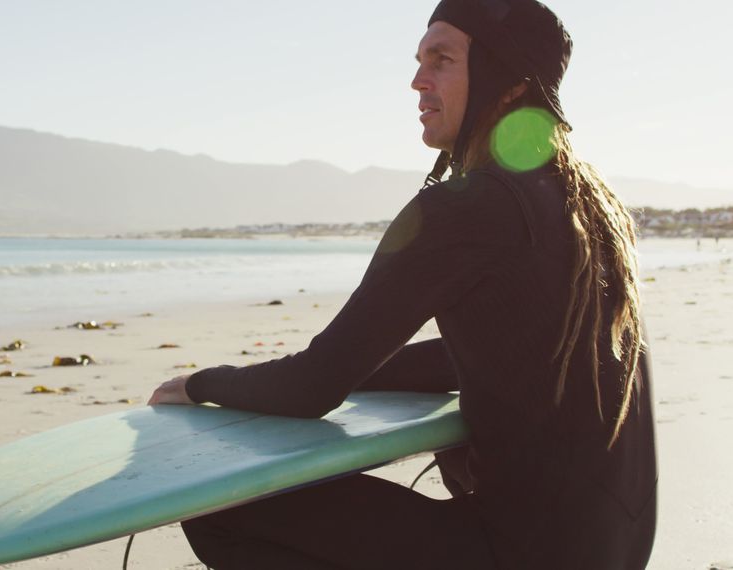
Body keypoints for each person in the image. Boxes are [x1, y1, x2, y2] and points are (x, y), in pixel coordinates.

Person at [148, 0, 657, 568]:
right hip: (613, 553)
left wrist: (201, 384)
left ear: (508, 83)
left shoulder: (469, 207)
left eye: (441, 60)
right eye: (419, 60)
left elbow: (314, 386)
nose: (417, 80)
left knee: (217, 503)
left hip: (517, 556)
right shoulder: (589, 206)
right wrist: (363, 371)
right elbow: (490, 355)